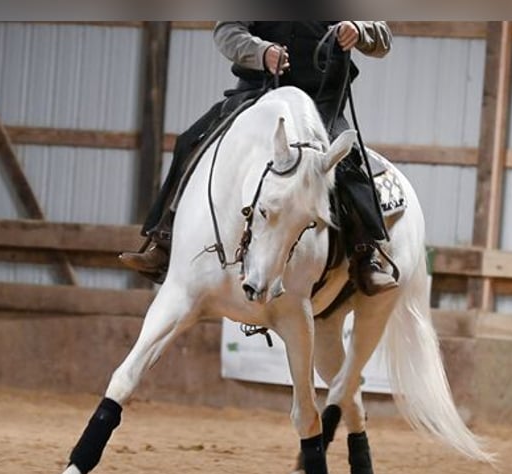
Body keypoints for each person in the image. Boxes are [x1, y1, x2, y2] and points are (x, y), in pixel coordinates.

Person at [120, 21, 397, 295]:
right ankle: (164, 240)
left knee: (349, 164)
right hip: (259, 93)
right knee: (191, 141)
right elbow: (227, 31)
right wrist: (260, 51)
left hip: (322, 102)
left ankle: (366, 255)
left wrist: (361, 31)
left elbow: (382, 36)